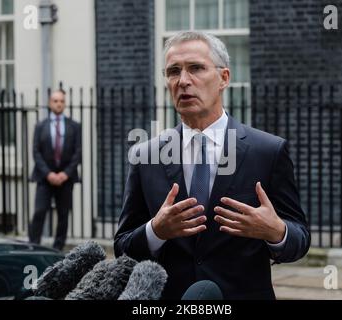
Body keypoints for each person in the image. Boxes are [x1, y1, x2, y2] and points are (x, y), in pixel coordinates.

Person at [114, 31, 310, 299]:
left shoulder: (268, 151)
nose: (183, 81)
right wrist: (155, 231)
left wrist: (276, 232)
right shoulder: (145, 156)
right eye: (173, 72)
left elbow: (299, 240)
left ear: (224, 78)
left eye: (196, 68)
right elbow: (122, 247)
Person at [29, 90, 82, 251]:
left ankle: (57, 248)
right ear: (49, 103)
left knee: (63, 215)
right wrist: (49, 174)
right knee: (39, 211)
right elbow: (36, 152)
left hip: (66, 178)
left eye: (61, 101)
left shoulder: (74, 126)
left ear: (64, 103)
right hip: (45, 178)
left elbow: (78, 152)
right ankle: (33, 246)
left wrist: (65, 174)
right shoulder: (40, 126)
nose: (58, 103)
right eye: (55, 100)